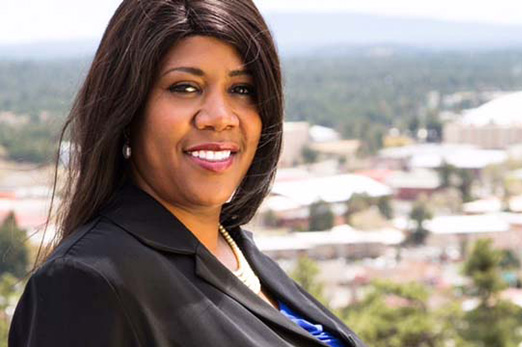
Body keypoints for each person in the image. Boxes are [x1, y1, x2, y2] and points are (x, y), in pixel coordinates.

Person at [8, 1, 365, 346]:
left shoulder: (238, 251)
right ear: (128, 108)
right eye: (185, 88)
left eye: (242, 89)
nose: (220, 116)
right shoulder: (86, 282)